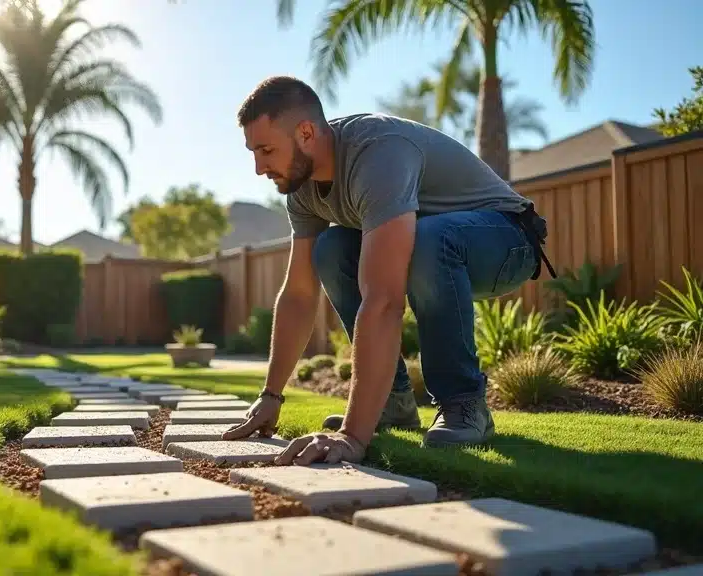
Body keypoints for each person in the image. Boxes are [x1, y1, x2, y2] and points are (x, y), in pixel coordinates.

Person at [221, 75, 552, 467]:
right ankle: (393, 405)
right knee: (329, 250)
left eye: (265, 150)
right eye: (253, 152)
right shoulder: (302, 189)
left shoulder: (377, 154)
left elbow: (384, 299)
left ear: (306, 132)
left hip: (506, 240)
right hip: (432, 246)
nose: (259, 167)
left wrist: (351, 437)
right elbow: (298, 294)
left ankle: (464, 404)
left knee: (429, 238)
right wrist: (271, 394)